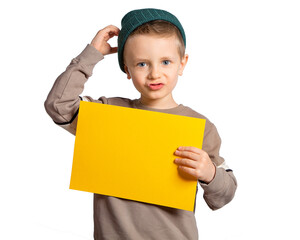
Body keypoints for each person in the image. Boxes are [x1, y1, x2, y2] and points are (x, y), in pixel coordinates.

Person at [44, 8, 237, 240]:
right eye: (142, 64)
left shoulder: (200, 126)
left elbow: (224, 195)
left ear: (182, 64)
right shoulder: (107, 113)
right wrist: (91, 54)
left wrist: (210, 173)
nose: (155, 73)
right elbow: (58, 105)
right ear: (127, 69)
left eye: (166, 61)